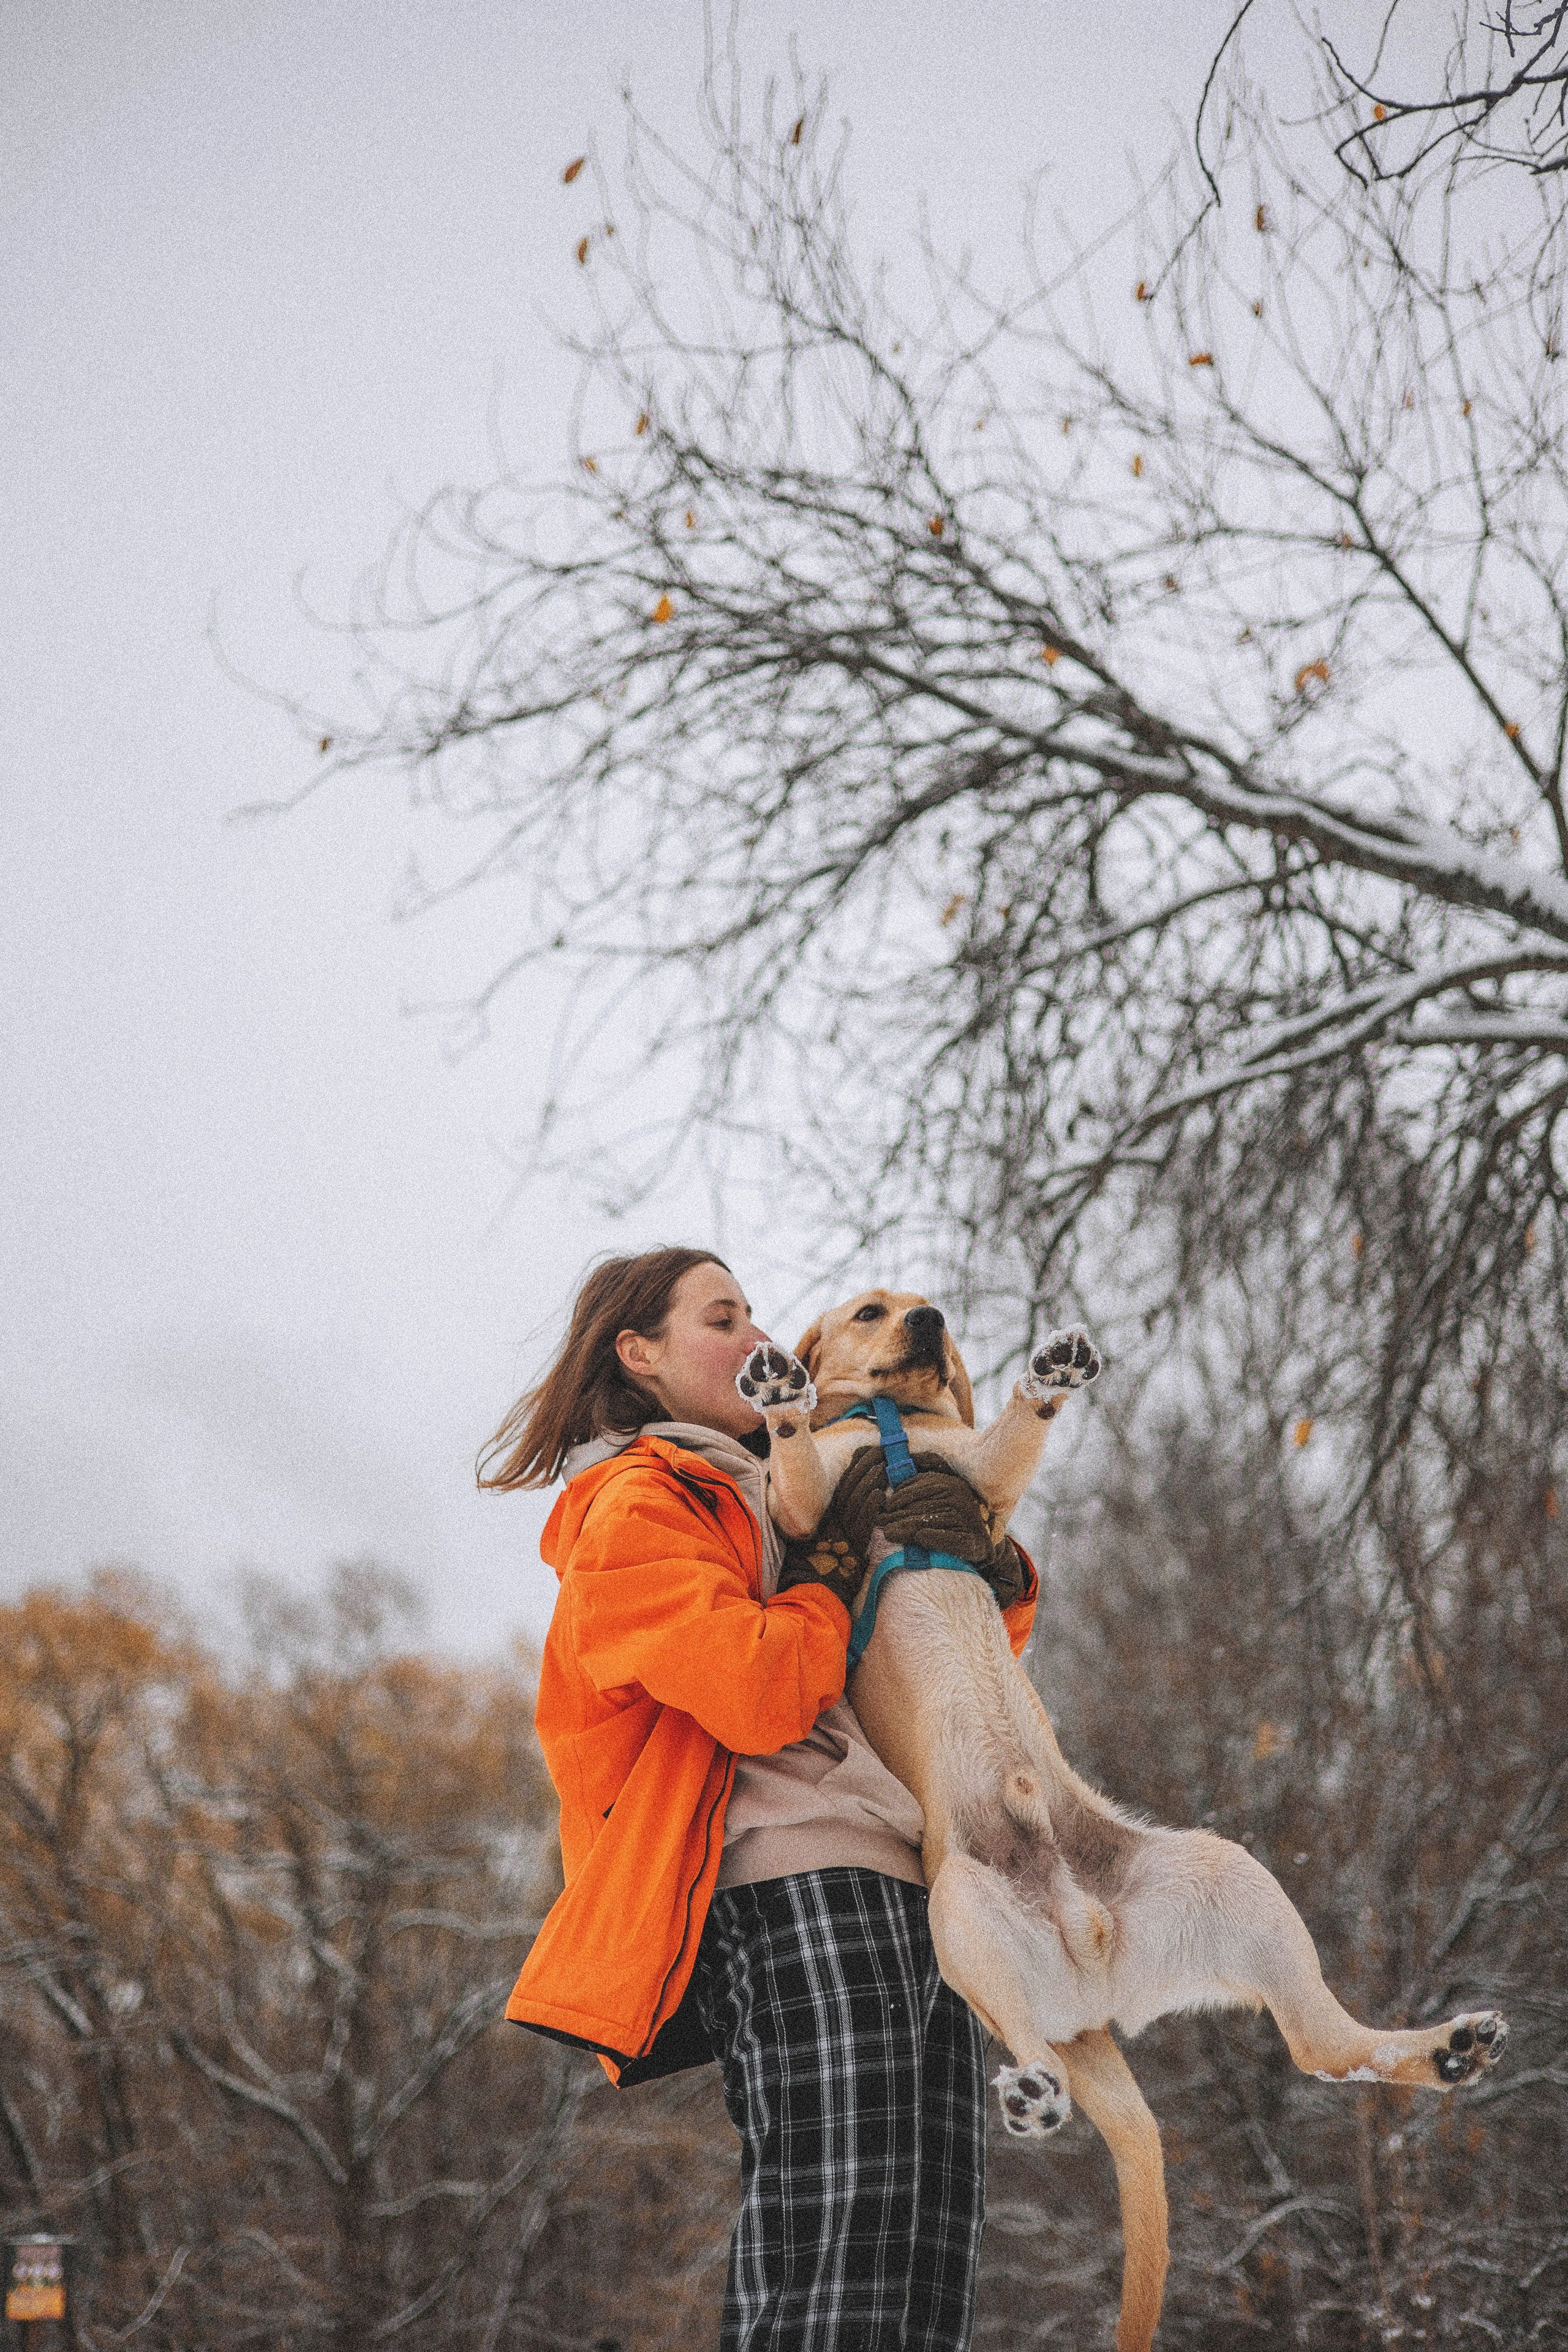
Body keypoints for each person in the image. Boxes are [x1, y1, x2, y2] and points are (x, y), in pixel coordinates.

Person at [480, 1247, 1040, 2351]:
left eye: (757, 1315)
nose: (757, 1339)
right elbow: (759, 1688)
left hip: (913, 1871)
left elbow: (948, 1660)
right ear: (639, 1357)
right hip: (788, 1872)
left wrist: (980, 1562)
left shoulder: (789, 1476)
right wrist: (832, 1575)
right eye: (722, 1319)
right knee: (841, 2240)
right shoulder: (637, 1504)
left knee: (928, 2256)